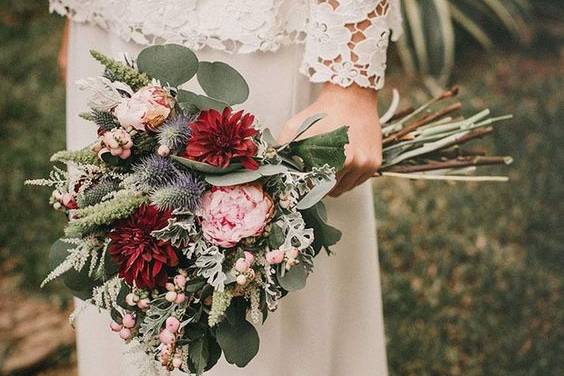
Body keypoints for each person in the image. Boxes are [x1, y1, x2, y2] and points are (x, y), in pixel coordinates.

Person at [53, 0, 402, 375]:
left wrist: (350, 81)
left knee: (275, 280)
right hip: (109, 20)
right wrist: (77, 14)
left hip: (255, 33)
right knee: (117, 263)